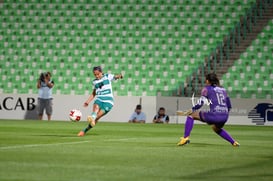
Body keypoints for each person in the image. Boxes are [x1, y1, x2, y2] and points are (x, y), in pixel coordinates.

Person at [177, 73, 240, 147]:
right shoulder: (223, 90)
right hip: (225, 116)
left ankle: (185, 138)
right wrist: (222, 114)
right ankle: (233, 142)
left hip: (214, 115)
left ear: (207, 81)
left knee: (191, 115)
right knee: (216, 128)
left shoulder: (206, 89)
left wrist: (191, 110)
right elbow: (229, 106)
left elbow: (200, 103)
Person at [78, 66, 123, 136]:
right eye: (95, 75)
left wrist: (119, 76)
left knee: (97, 117)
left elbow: (115, 77)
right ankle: (92, 118)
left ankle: (85, 129)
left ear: (101, 72)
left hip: (108, 102)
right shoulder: (94, 82)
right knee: (95, 108)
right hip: (99, 99)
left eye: (98, 74)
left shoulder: (107, 76)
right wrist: (87, 101)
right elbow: (94, 93)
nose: (97, 76)